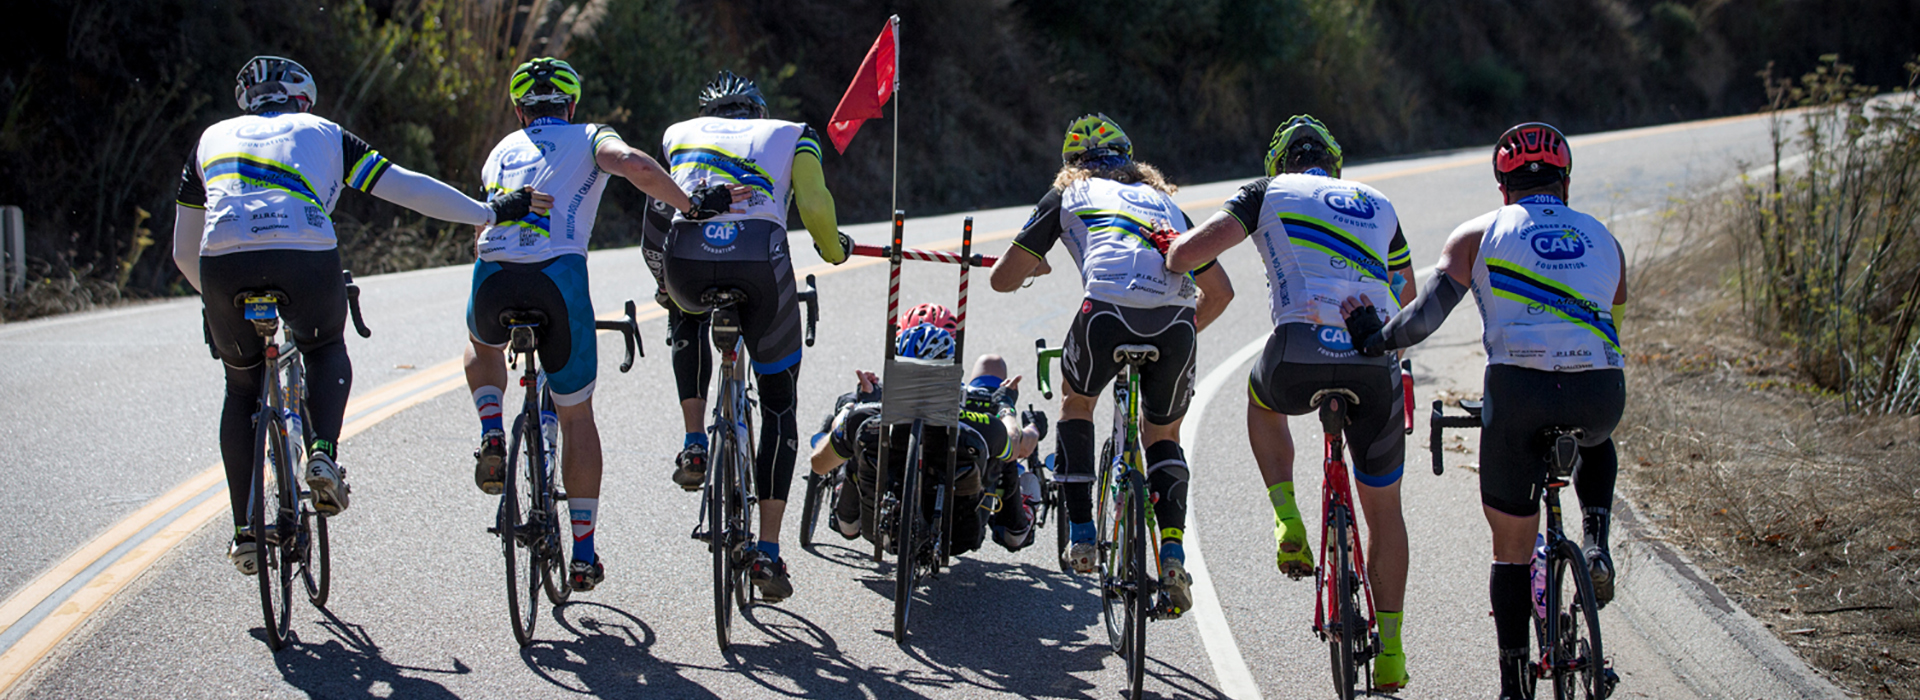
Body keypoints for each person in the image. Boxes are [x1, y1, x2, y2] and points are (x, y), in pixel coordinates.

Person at [173, 56, 548, 575]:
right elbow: (408, 186)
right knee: (324, 347)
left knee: (241, 389)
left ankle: (244, 531)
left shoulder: (210, 138)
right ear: (301, 100)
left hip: (223, 262)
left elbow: (181, 250)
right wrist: (489, 211)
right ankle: (322, 451)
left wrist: (212, 301)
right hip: (303, 252)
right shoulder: (323, 132)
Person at [1339, 122, 1626, 700]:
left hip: (1518, 392)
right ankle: (1595, 540)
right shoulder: (1602, 236)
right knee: (1595, 438)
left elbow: (1423, 319)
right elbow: (1615, 302)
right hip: (1600, 389)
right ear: (1566, 183)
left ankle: (1513, 682)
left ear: (1503, 187)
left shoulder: (1479, 233)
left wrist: (1375, 338)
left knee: (1512, 551)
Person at [464, 58, 740, 592]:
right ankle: (584, 554)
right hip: (557, 277)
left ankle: (493, 430)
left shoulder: (501, 149)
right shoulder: (590, 135)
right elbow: (634, 164)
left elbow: (482, 224)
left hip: (492, 274)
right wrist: (689, 204)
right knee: (576, 417)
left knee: (480, 340)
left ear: (520, 112)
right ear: (570, 105)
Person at [1165, 114, 1418, 690]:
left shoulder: (1265, 192)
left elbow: (1186, 255)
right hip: (1374, 355)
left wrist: (1173, 247)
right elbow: (1405, 294)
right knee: (1384, 511)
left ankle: (1287, 520)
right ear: (1335, 163)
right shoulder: (1377, 201)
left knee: (1261, 399)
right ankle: (1393, 654)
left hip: (1297, 354)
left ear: (1279, 164)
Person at [988, 113, 1233, 615]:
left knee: (1077, 404)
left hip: (1104, 313)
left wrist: (1035, 262)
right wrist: (1178, 337)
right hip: (1174, 324)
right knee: (1162, 436)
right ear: (1130, 163)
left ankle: (1080, 534)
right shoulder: (1165, 202)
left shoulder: (1067, 196)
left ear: (1071, 166)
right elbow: (1222, 292)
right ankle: (1172, 552)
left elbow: (1001, 280)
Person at [658, 70, 854, 602]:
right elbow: (813, 206)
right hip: (758, 260)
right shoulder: (794, 133)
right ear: (758, 115)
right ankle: (767, 550)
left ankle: (695, 442)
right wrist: (835, 250)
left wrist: (664, 282)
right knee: (779, 406)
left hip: (688, 259)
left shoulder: (678, 133)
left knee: (683, 313)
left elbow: (656, 216)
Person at [806, 314, 1048, 556]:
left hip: (877, 531)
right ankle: (1016, 523)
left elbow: (818, 464)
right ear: (953, 377)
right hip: (958, 538)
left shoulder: (863, 417)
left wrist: (850, 410)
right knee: (1001, 454)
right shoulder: (984, 426)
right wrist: (1006, 407)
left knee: (855, 442)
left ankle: (847, 509)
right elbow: (1017, 446)